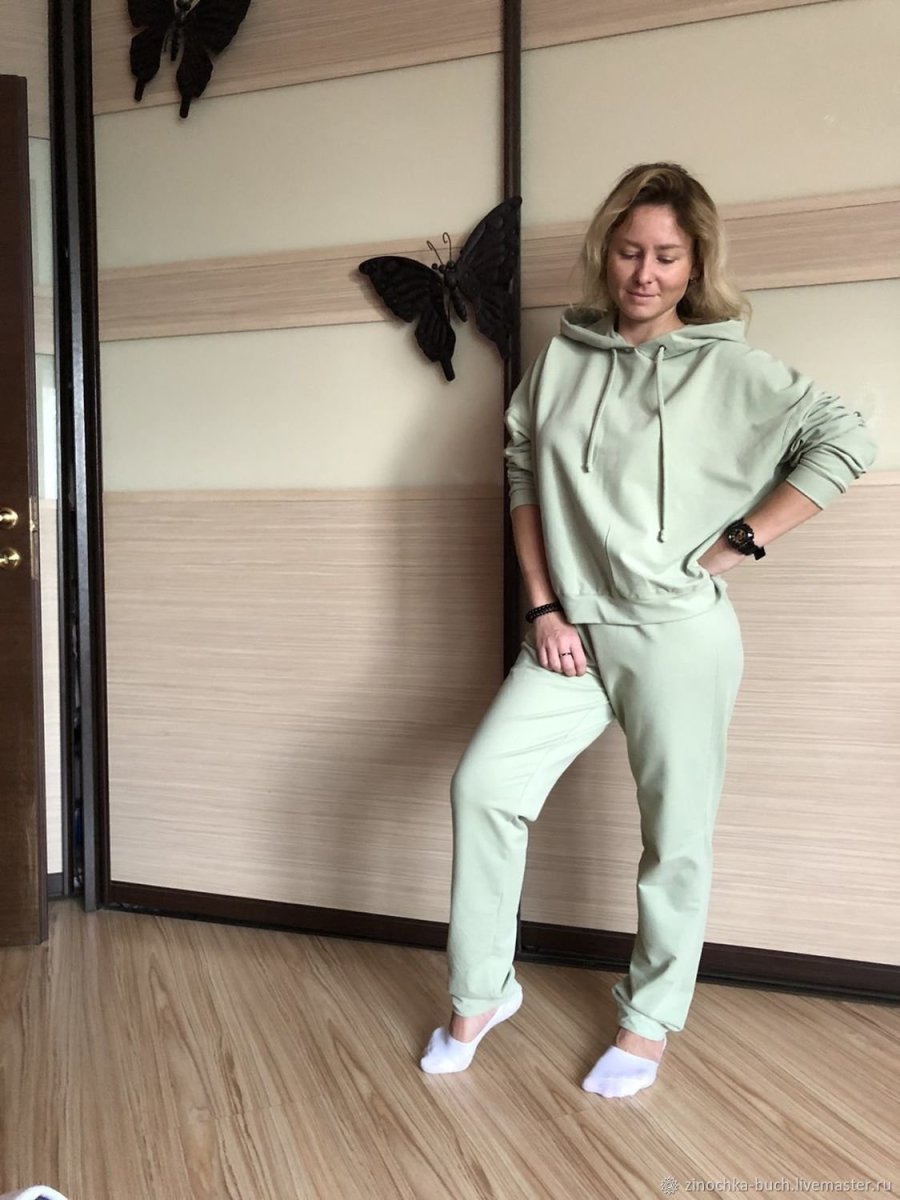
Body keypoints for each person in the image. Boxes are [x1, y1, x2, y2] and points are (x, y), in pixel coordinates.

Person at [419, 162, 876, 1096]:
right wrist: (544, 606)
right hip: (570, 636)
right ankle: (481, 993)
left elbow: (847, 440)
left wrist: (743, 541)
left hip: (677, 638)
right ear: (606, 253)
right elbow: (521, 471)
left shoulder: (730, 366)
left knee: (675, 836)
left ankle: (649, 1022)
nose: (646, 272)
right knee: (485, 787)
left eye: (668, 255)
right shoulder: (564, 357)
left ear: (696, 262)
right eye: (630, 251)